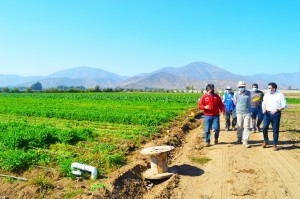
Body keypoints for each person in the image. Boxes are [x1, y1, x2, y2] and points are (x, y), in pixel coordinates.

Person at [261, 82, 288, 151]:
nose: (268, 89)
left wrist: (277, 109)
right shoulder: (266, 95)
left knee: (275, 129)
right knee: (264, 128)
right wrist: (264, 109)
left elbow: (284, 105)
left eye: (269, 88)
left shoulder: (280, 95)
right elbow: (264, 103)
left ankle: (274, 144)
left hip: (276, 114)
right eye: (268, 88)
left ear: (274, 88)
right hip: (267, 113)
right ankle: (265, 141)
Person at [234, 81, 251, 148]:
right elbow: (235, 102)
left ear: (245, 87)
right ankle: (239, 138)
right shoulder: (236, 94)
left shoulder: (249, 93)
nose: (241, 88)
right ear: (238, 87)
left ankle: (245, 140)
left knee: (246, 126)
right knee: (239, 126)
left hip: (247, 112)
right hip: (239, 112)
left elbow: (250, 101)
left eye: (242, 87)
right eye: (240, 87)